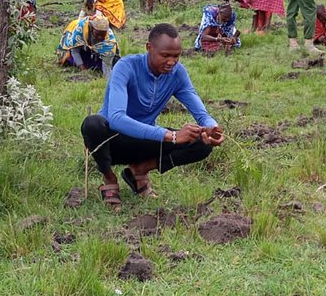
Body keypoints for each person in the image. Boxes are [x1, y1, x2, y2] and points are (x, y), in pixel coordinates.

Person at [80, 23, 224, 208]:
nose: (171, 62)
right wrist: (172, 136)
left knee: (202, 144)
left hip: (144, 143)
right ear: (149, 48)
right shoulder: (126, 66)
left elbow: (201, 113)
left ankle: (140, 170)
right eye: (165, 55)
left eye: (176, 56)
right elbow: (116, 118)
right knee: (92, 124)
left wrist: (211, 126)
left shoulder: (177, 73)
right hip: (112, 143)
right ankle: (109, 177)